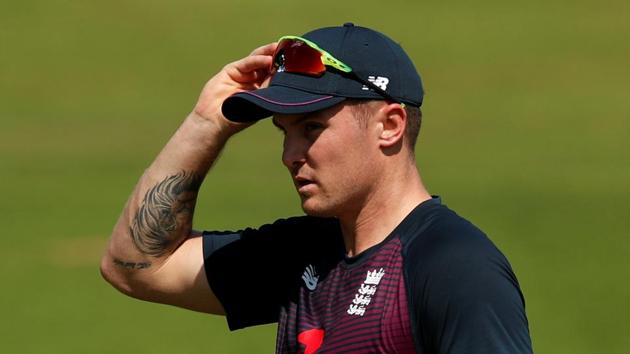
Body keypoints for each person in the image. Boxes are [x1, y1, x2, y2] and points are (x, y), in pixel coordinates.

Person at [101, 23, 533, 353]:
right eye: (283, 132)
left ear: (390, 125)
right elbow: (135, 266)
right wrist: (205, 124)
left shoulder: (453, 267)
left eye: (311, 128)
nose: (290, 154)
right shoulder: (304, 255)